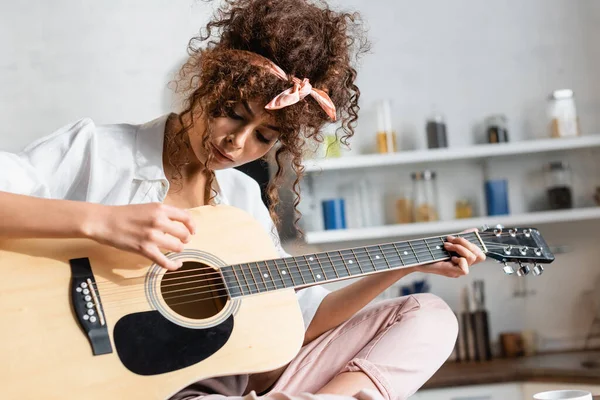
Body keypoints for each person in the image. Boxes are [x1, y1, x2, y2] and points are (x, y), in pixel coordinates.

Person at [0, 1, 486, 399]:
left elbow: (301, 321)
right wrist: (98, 221)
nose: (237, 143)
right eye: (233, 113)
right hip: (116, 385)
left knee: (428, 317)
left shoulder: (241, 200)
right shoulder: (98, 151)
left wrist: (402, 266)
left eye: (264, 136)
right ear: (207, 84)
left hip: (230, 390)